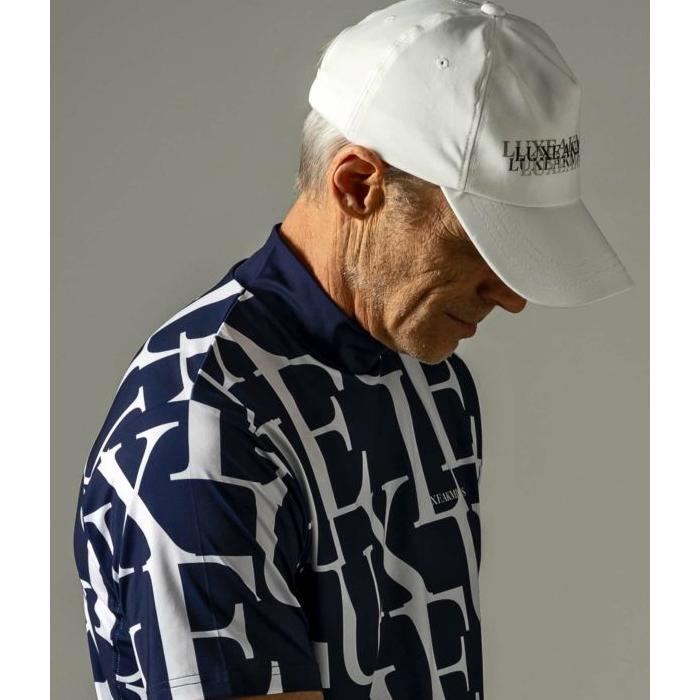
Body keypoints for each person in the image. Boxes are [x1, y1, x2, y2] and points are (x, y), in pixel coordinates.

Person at [72, 1, 634, 699]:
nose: (513, 297)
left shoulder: (430, 379)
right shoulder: (202, 425)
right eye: (485, 245)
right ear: (359, 186)